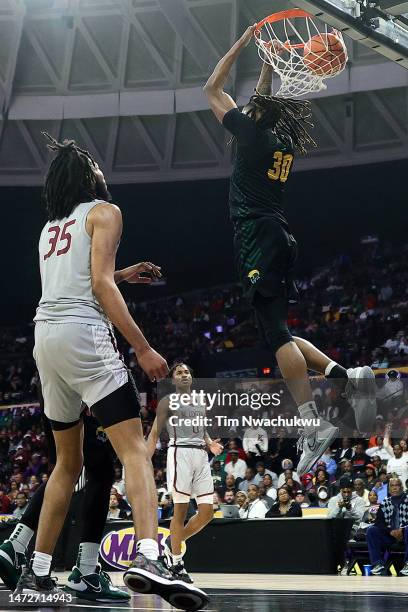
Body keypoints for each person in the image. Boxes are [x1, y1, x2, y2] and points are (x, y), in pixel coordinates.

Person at [14, 134, 205, 611]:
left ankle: (35, 574)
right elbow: (96, 285)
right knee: (135, 450)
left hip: (44, 339)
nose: (103, 170)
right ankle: (148, 556)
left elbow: (78, 277)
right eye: (96, 166)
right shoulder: (105, 211)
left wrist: (124, 274)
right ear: (88, 177)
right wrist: (142, 347)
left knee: (67, 464)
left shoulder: (49, 228)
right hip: (83, 333)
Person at [203, 24, 377, 476]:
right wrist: (266, 62)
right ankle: (345, 376)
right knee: (279, 330)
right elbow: (259, 102)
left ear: (253, 115)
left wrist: (242, 42)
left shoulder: (253, 134)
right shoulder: (275, 139)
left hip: (258, 236)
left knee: (276, 336)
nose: (243, 107)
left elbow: (211, 88)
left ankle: (310, 422)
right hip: (279, 234)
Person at [147, 362, 223, 584]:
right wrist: (143, 460)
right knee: (180, 509)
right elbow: (153, 434)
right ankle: (176, 562)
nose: (184, 375)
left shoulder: (200, 401)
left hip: (201, 455)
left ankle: (172, 545)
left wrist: (210, 443)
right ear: (172, 380)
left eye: (187, 372)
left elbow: (201, 427)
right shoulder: (167, 402)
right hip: (179, 453)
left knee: (207, 512)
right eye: (179, 372)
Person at [366, 477, 408, 576]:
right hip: (390, 536)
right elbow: (379, 523)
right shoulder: (385, 502)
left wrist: (402, 530)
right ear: (389, 489)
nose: (394, 488)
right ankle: (377, 564)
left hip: (405, 533)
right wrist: (390, 531)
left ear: (401, 487)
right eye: (392, 486)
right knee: (372, 530)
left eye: (396, 485)